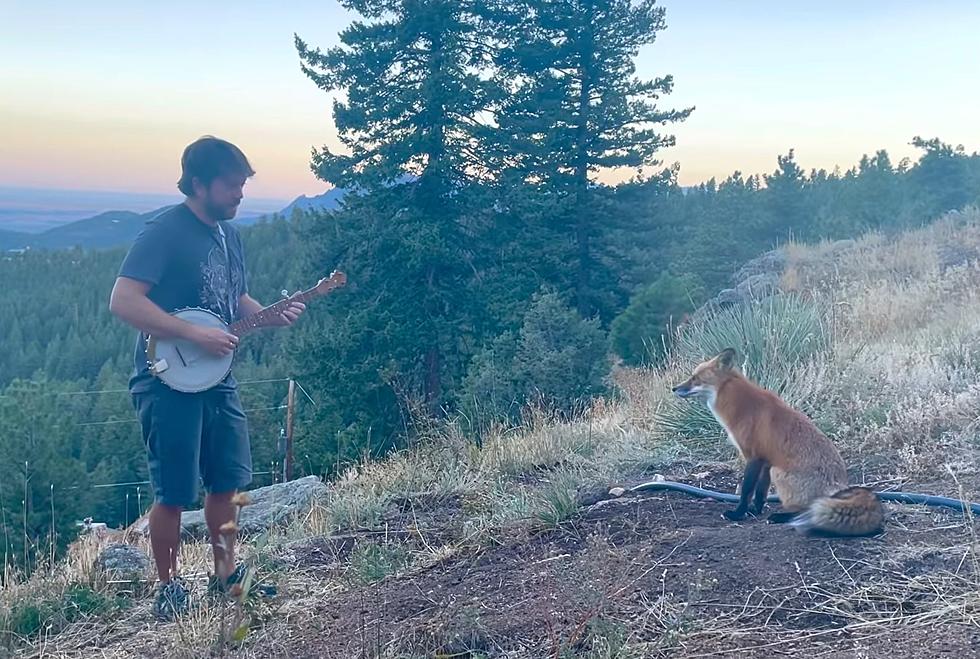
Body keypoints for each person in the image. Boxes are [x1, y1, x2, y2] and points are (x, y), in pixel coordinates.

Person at [108, 136, 305, 620]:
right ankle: (169, 587)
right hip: (167, 381)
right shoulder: (165, 232)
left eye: (242, 185)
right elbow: (124, 300)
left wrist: (268, 315)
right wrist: (193, 335)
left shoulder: (228, 235)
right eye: (231, 185)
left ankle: (225, 576)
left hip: (218, 379)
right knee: (174, 491)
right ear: (198, 183)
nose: (240, 194)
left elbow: (234, 299)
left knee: (228, 481)